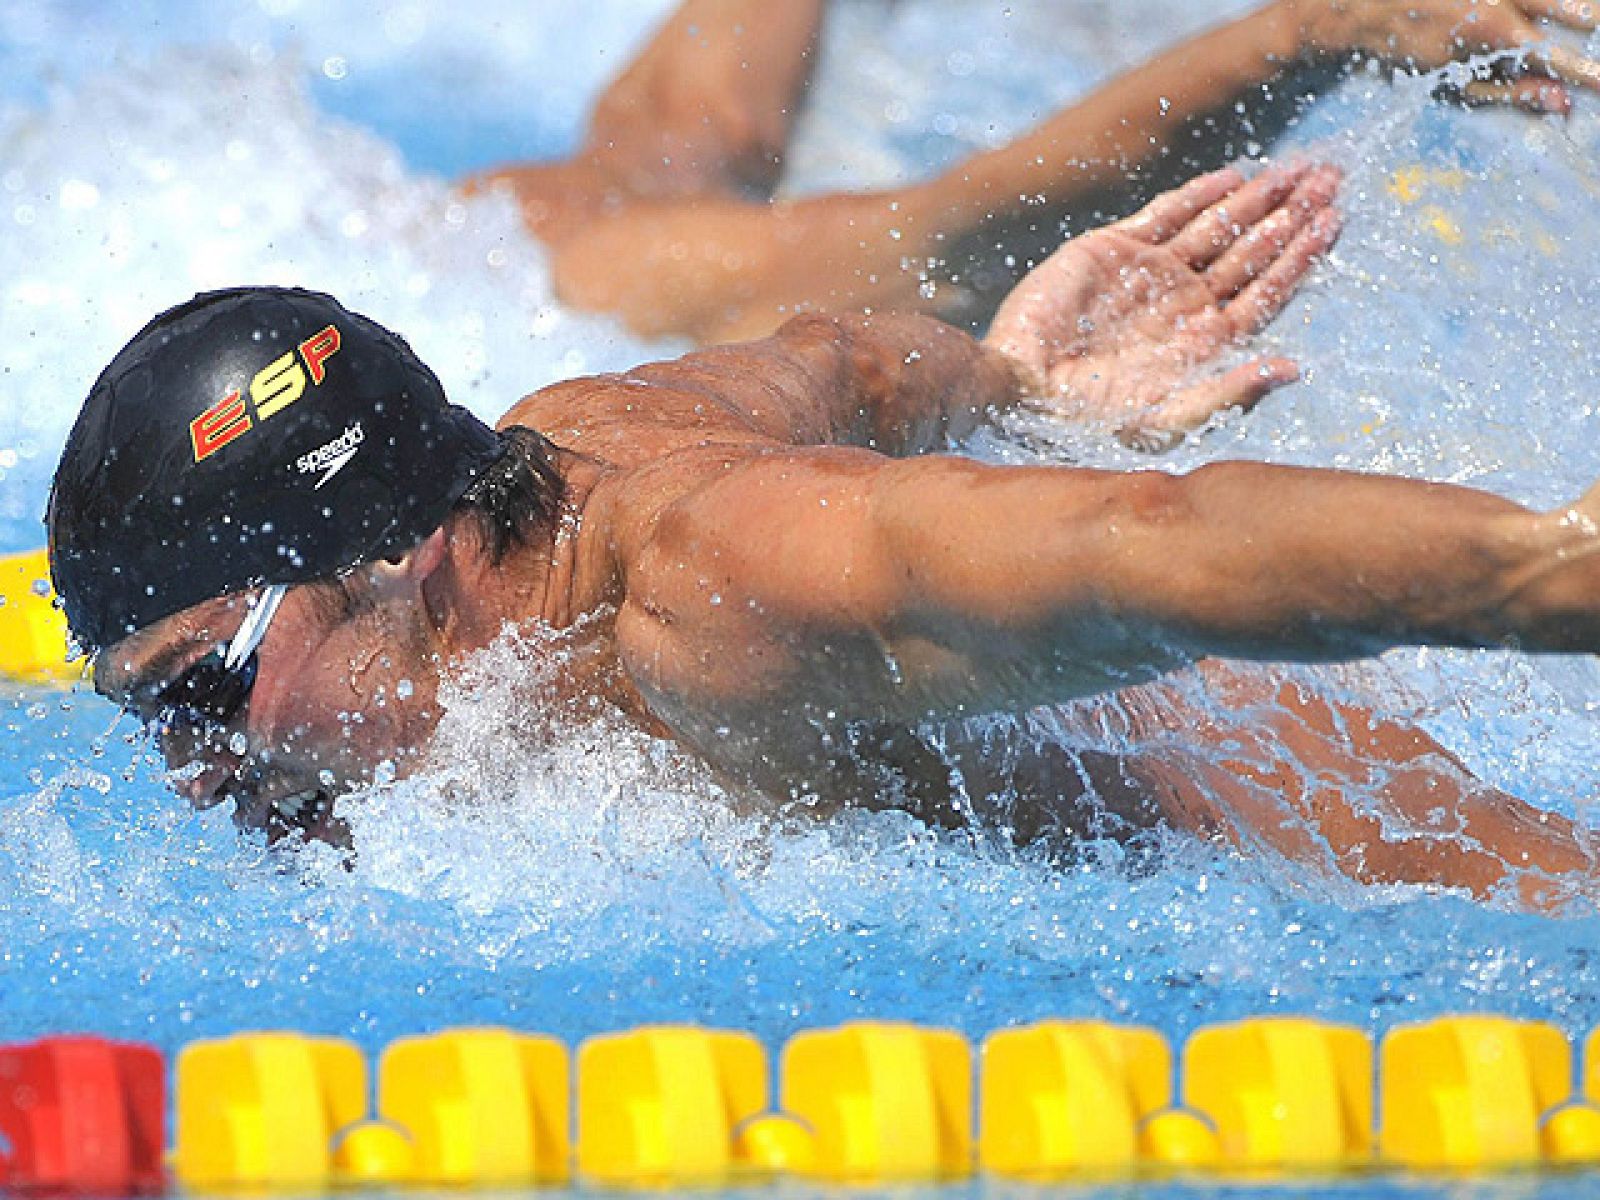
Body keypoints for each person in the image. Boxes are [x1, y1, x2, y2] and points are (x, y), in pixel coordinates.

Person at [46, 166, 1598, 907]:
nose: (192, 770)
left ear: (392, 550)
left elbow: (1141, 545)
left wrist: (1549, 575)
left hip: (1449, 898)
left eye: (203, 688)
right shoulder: (566, 431)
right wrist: (1017, 376)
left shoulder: (708, 595)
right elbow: (837, 362)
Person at [474, 0, 1600, 343]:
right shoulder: (606, 252)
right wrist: (1318, 29)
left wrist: (1318, 29)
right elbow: (965, 234)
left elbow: (959, 232)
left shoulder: (596, 258)